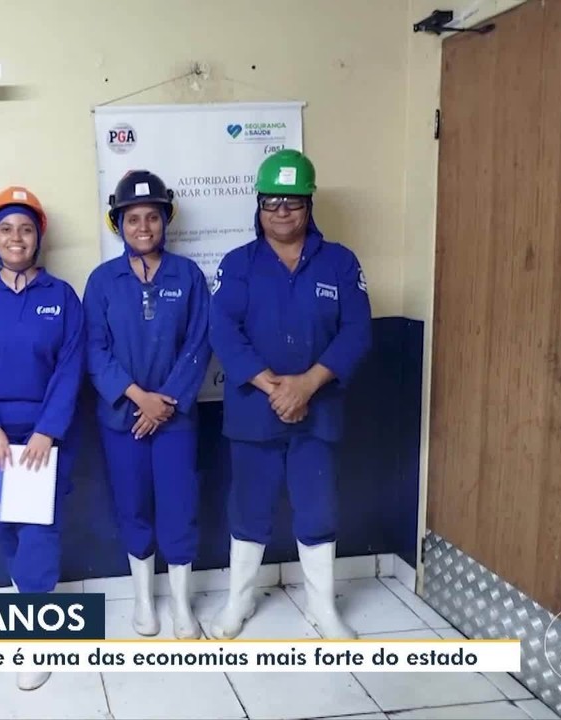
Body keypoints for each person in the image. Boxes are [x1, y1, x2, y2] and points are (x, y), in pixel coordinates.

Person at [206, 148, 372, 641]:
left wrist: (307, 384)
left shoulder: (340, 262)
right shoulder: (238, 264)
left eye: (293, 201)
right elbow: (223, 330)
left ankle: (322, 609)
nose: (281, 211)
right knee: (248, 509)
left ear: (309, 204)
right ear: (259, 206)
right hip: (254, 411)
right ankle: (238, 603)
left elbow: (357, 332)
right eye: (272, 202)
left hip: (318, 411)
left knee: (318, 509)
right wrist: (271, 385)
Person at [0, 186, 85, 692]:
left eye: (26, 229)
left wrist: (48, 430)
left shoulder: (62, 297)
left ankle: (35, 635)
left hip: (47, 435)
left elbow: (70, 368)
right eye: (6, 228)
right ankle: (30, 606)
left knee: (38, 530)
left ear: (38, 237)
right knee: (8, 527)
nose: (16, 238)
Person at [82, 170, 211, 639]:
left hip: (175, 419)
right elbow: (94, 349)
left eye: (152, 217)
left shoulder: (188, 276)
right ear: (118, 223)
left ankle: (181, 605)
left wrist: (165, 403)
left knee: (179, 505)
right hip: (123, 418)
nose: (143, 227)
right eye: (132, 218)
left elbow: (198, 343)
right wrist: (139, 398)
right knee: (132, 505)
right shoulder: (102, 281)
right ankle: (143, 601)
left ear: (165, 220)